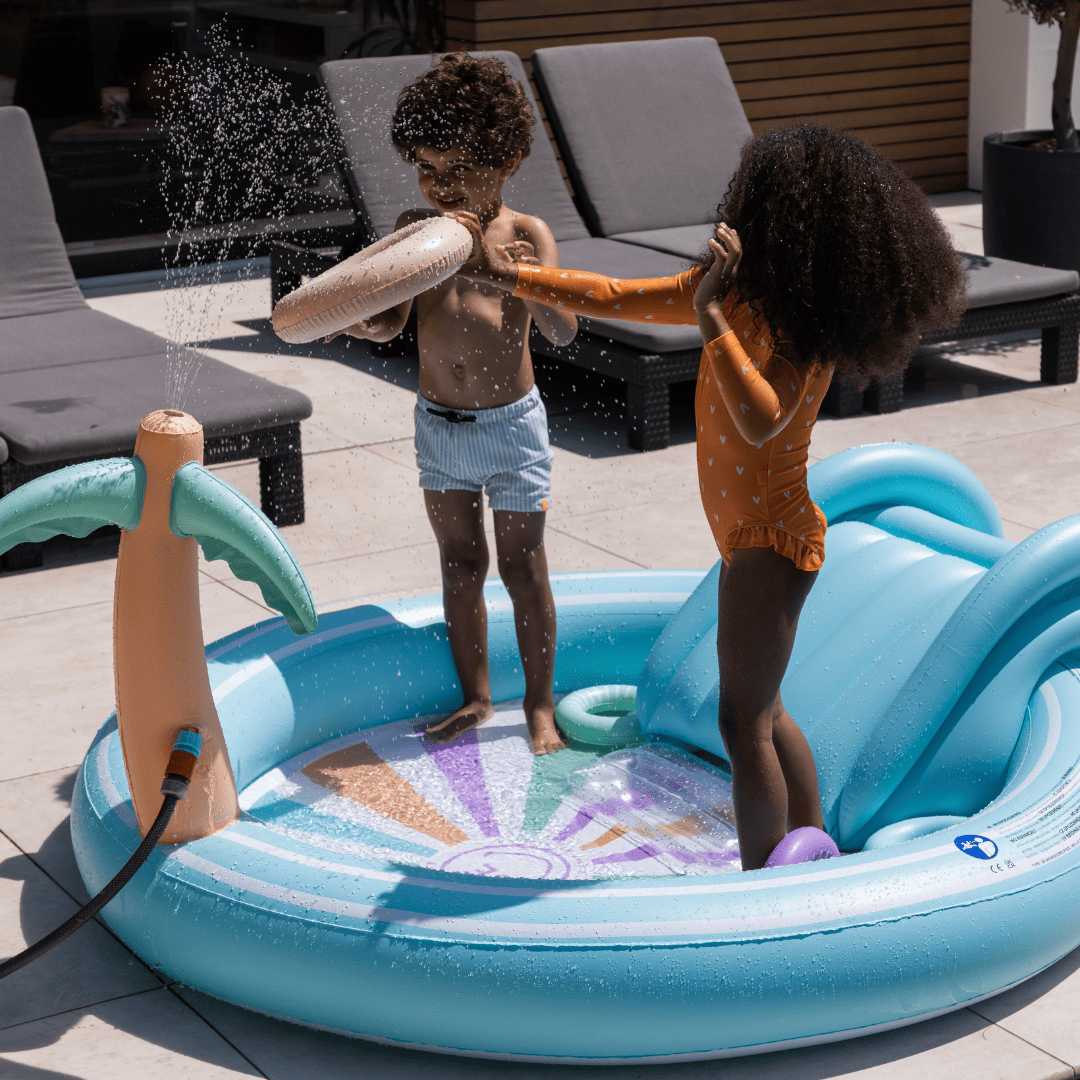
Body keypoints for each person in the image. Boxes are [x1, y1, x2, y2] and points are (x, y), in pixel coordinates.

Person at [453, 125, 966, 866]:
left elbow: (763, 420)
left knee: (740, 721)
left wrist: (714, 318)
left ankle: (764, 884)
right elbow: (615, 294)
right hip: (750, 538)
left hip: (771, 537)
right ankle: (815, 847)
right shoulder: (733, 296)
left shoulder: (798, 330)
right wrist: (514, 280)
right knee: (767, 709)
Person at [335, 54, 577, 755]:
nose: (441, 187)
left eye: (458, 169)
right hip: (439, 426)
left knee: (522, 567)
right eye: (426, 169)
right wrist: (360, 318)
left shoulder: (526, 236)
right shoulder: (418, 230)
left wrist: (524, 282)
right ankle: (476, 698)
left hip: (512, 428)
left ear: (506, 159)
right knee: (460, 564)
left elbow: (563, 330)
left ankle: (539, 704)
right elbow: (390, 323)